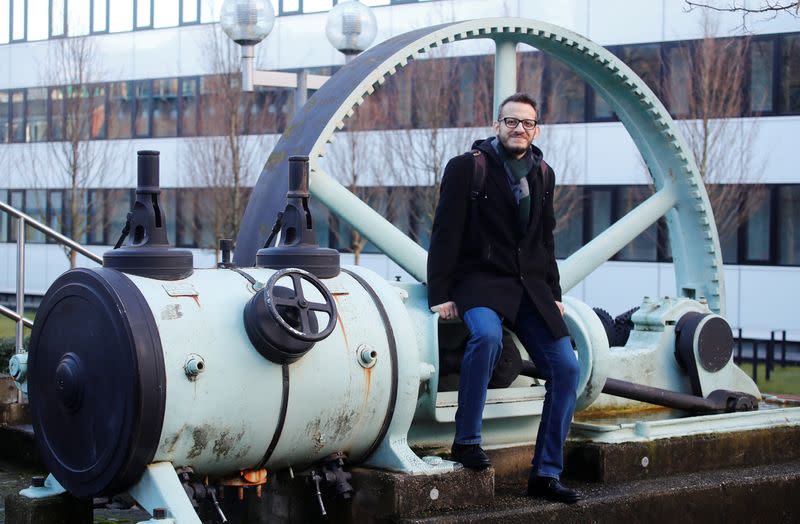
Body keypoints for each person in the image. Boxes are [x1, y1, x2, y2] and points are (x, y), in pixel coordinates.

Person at [427, 92, 582, 504]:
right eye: (511, 122)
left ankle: (546, 473)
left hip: (530, 286)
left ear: (537, 129)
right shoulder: (467, 168)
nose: (519, 129)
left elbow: (545, 240)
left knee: (567, 367)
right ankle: (467, 440)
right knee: (487, 338)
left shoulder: (543, 174)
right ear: (496, 126)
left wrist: (554, 293)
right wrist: (441, 293)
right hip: (480, 280)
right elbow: (445, 232)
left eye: (526, 123)